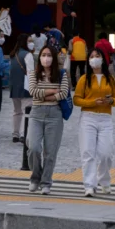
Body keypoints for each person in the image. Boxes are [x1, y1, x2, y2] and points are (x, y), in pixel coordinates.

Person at [73, 48, 115, 197]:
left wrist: (110, 100)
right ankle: (89, 185)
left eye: (97, 56)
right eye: (92, 56)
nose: (94, 59)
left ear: (102, 59)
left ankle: (104, 180)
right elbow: (77, 99)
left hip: (105, 118)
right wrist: (93, 102)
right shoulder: (84, 79)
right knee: (88, 152)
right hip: (88, 117)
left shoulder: (110, 79)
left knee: (106, 153)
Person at [27, 46, 70, 194]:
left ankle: (46, 182)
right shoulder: (33, 74)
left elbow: (64, 92)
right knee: (33, 147)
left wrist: (47, 96)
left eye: (49, 55)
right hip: (36, 114)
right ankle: (35, 177)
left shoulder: (61, 74)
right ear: (39, 57)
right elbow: (33, 91)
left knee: (50, 152)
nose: (46, 58)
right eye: (44, 55)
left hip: (55, 115)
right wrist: (52, 91)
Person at [9, 33, 35, 143]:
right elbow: (30, 72)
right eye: (29, 41)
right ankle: (23, 134)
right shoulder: (28, 55)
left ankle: (15, 133)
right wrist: (33, 87)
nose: (31, 43)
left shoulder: (13, 54)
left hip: (14, 86)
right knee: (27, 111)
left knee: (17, 111)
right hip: (25, 86)